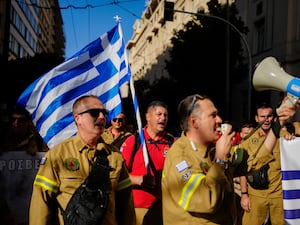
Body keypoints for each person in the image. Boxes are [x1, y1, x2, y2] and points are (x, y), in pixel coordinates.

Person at [161, 94, 298, 225]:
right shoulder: (180, 158)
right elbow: (206, 200)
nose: (219, 120)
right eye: (213, 115)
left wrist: (278, 121)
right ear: (194, 122)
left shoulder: (212, 149)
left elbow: (251, 158)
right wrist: (220, 160)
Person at [29, 95, 136, 225]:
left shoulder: (115, 157)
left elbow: (126, 205)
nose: (102, 117)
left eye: (104, 113)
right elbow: (41, 202)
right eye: (94, 113)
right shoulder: (57, 155)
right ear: (77, 118)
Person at [240, 101, 297, 225]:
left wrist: (291, 143)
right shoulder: (248, 140)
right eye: (262, 116)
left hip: (278, 194)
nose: (266, 119)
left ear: (274, 117)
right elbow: (243, 170)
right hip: (256, 194)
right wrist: (244, 195)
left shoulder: (284, 136)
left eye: (270, 116)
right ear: (256, 118)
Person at [121, 100, 176, 225]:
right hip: (138, 209)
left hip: (165, 208)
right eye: (159, 114)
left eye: (165, 115)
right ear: (148, 117)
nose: (163, 118)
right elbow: (118, 176)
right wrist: (138, 180)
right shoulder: (133, 141)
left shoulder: (172, 143)